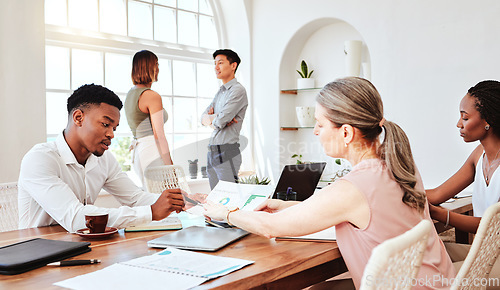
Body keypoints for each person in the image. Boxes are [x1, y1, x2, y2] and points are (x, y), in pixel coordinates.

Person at [204, 77, 455, 289]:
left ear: (346, 132)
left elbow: (271, 228)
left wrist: (225, 213)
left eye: (320, 124)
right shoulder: (400, 165)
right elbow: (362, 213)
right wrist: (286, 206)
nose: (315, 131)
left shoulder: (353, 188)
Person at [18, 84, 185, 232]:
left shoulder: (104, 159)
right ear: (78, 118)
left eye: (114, 128)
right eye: (106, 124)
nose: (111, 134)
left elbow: (136, 198)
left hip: (81, 247)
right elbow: (76, 218)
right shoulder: (39, 159)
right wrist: (152, 212)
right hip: (36, 254)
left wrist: (178, 200)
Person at [426, 80, 500, 277]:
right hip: (486, 253)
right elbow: (437, 194)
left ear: (488, 120)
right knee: (424, 254)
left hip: (496, 257)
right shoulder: (479, 155)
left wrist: (441, 215)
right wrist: (395, 190)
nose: (459, 124)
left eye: (465, 118)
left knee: (431, 277)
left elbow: (492, 226)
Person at [201, 49, 248, 189]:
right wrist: (215, 117)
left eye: (220, 63)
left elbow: (220, 122)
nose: (216, 67)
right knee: (215, 199)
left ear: (233, 65)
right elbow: (202, 118)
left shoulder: (238, 91)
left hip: (227, 152)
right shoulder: (220, 92)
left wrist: (215, 118)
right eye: (215, 63)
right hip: (212, 151)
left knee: (229, 197)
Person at [125, 50, 172, 186]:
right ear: (148, 67)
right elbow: (159, 136)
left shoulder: (131, 94)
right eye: (156, 64)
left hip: (139, 152)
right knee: (166, 197)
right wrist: (170, 167)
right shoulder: (151, 96)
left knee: (153, 196)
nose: (158, 68)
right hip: (152, 150)